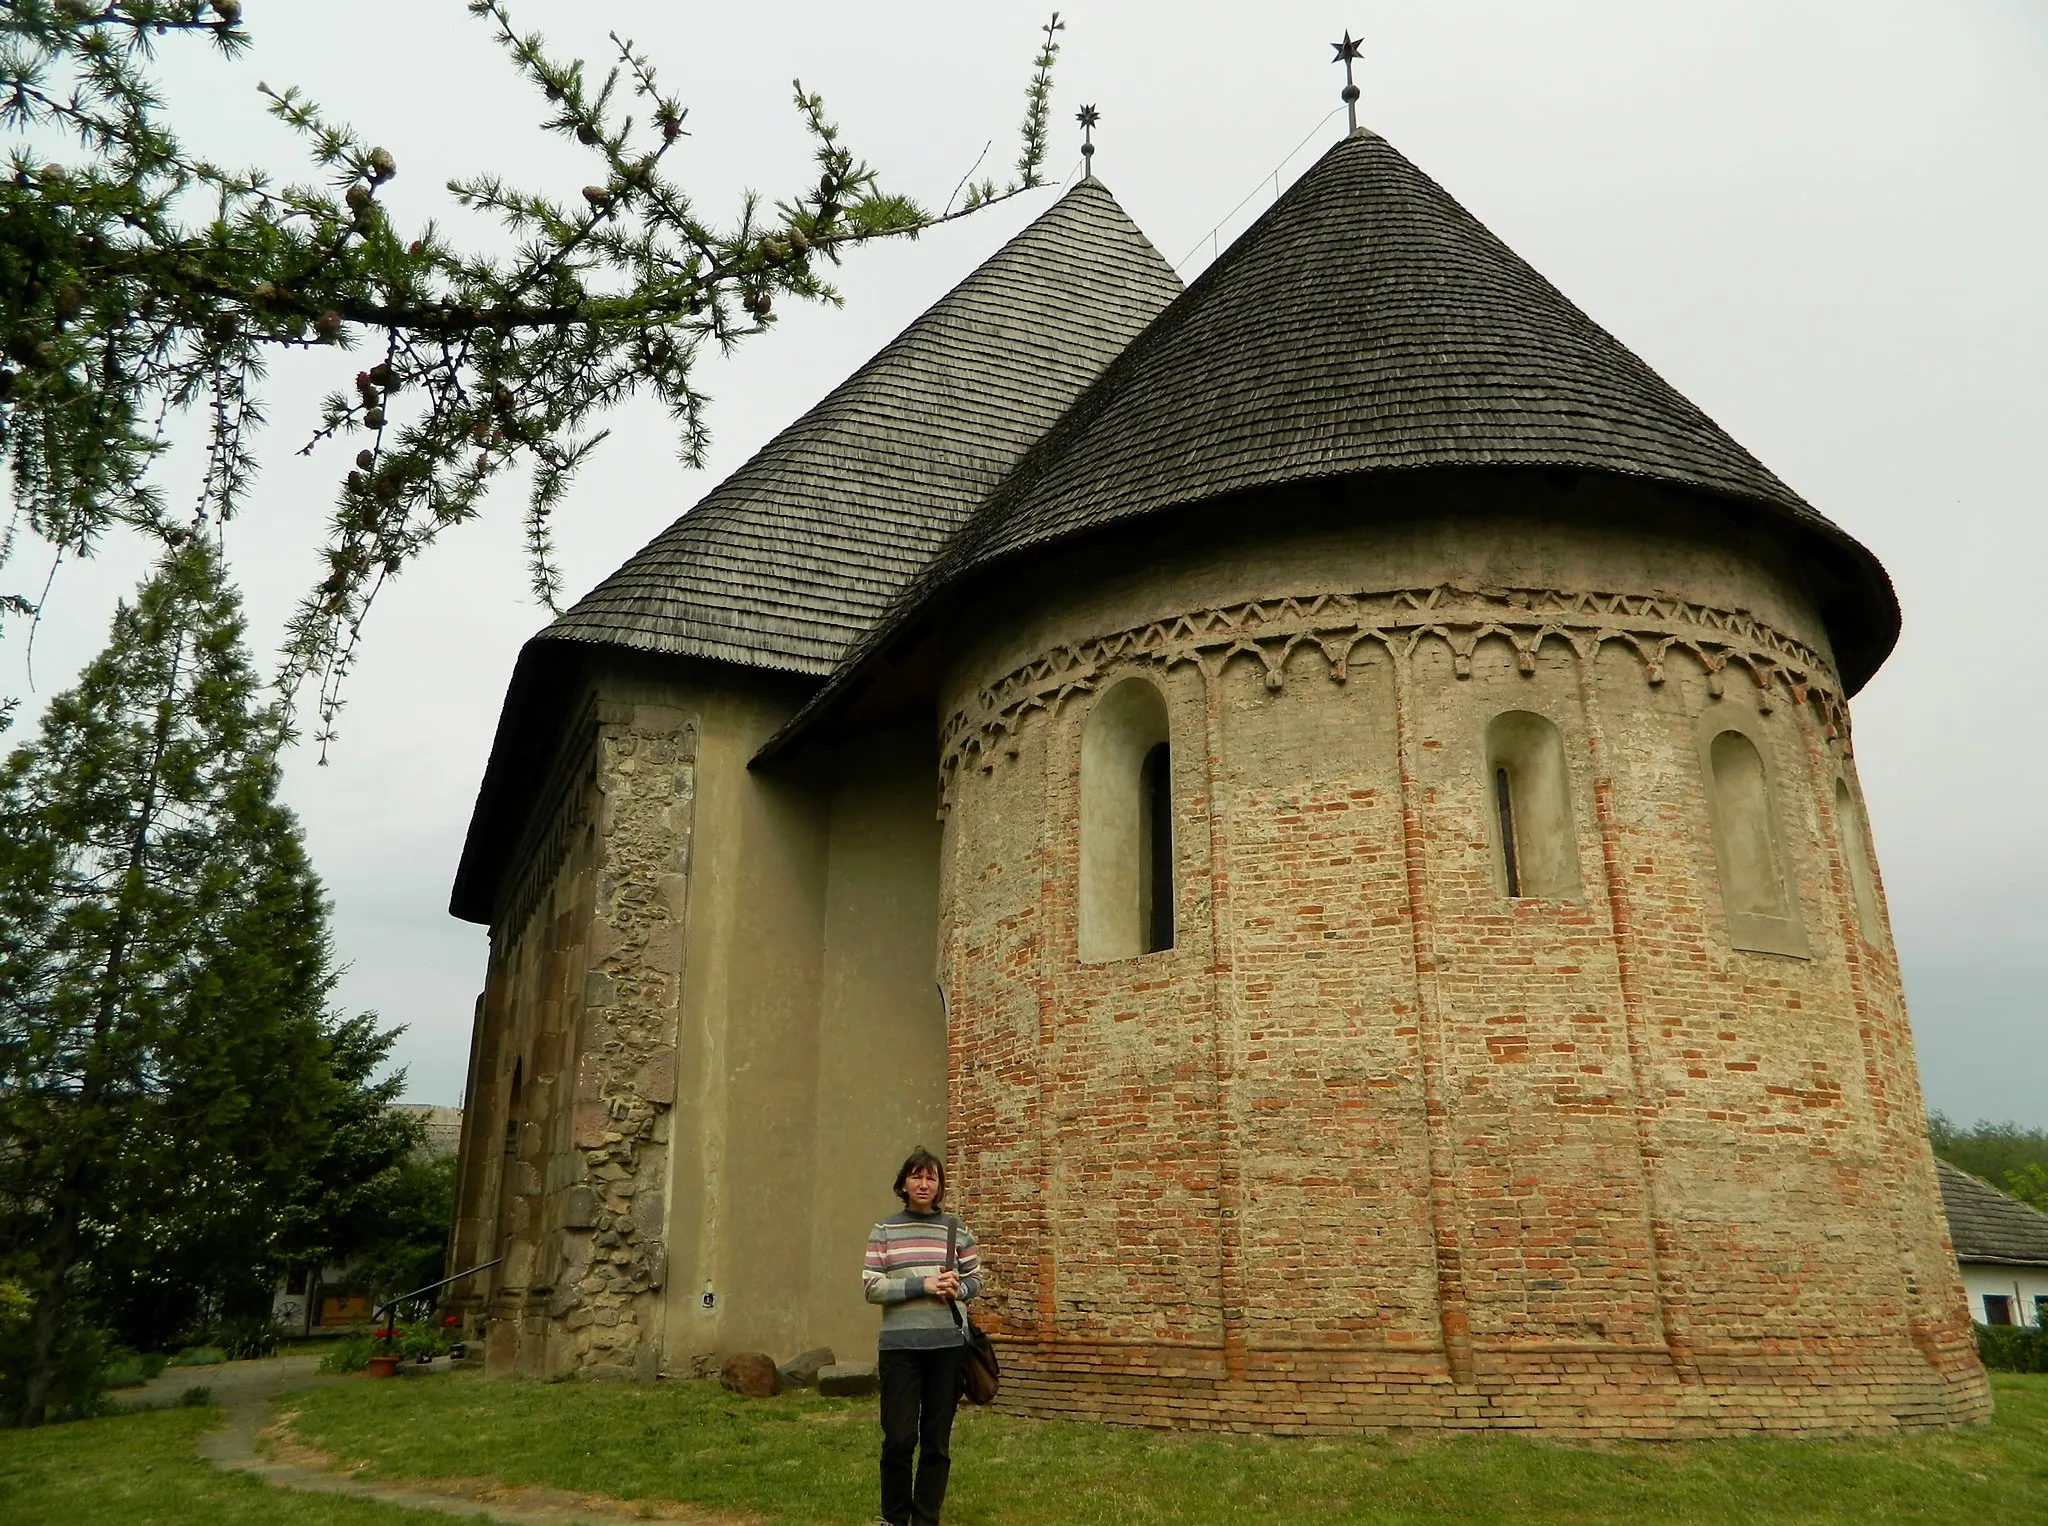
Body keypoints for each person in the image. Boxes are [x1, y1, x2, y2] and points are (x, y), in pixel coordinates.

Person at [862, 1146, 981, 1526]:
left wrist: (957, 1290)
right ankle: (894, 1518)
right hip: (899, 1350)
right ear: (903, 1183)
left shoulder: (956, 1230)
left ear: (939, 1185)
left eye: (931, 1177)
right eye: (917, 1176)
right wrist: (922, 1284)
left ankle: (926, 1519)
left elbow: (975, 1280)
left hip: (947, 1347)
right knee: (898, 1440)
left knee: (936, 1442)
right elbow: (871, 1287)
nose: (924, 1183)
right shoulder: (884, 1229)